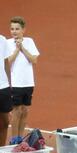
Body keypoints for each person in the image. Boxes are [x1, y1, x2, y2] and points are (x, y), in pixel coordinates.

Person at [7, 16, 39, 145]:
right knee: (16, 111)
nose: (14, 31)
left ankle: (20, 138)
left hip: (28, 82)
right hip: (15, 83)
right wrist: (16, 49)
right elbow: (8, 61)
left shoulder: (30, 42)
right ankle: (14, 139)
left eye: (17, 29)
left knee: (25, 110)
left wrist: (23, 48)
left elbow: (34, 60)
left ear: (23, 30)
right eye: (12, 29)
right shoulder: (7, 43)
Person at [0, 34, 12, 146]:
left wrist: (10, 84)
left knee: (5, 123)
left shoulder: (2, 40)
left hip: (3, 87)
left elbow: (6, 63)